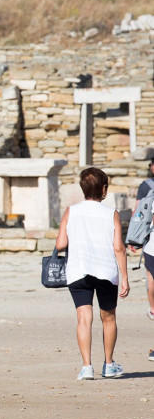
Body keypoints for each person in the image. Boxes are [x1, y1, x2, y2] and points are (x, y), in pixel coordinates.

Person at [54, 167, 129, 381]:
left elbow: (61, 244)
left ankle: (87, 367)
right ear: (104, 189)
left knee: (83, 319)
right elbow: (118, 248)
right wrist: (124, 277)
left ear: (82, 188)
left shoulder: (71, 211)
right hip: (106, 270)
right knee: (108, 317)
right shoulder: (111, 213)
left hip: (78, 269)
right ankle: (109, 364)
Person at [130, 159, 154, 361]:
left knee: (151, 281)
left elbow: (139, 213)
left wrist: (134, 237)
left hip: (153, 247)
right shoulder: (147, 187)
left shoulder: (148, 188)